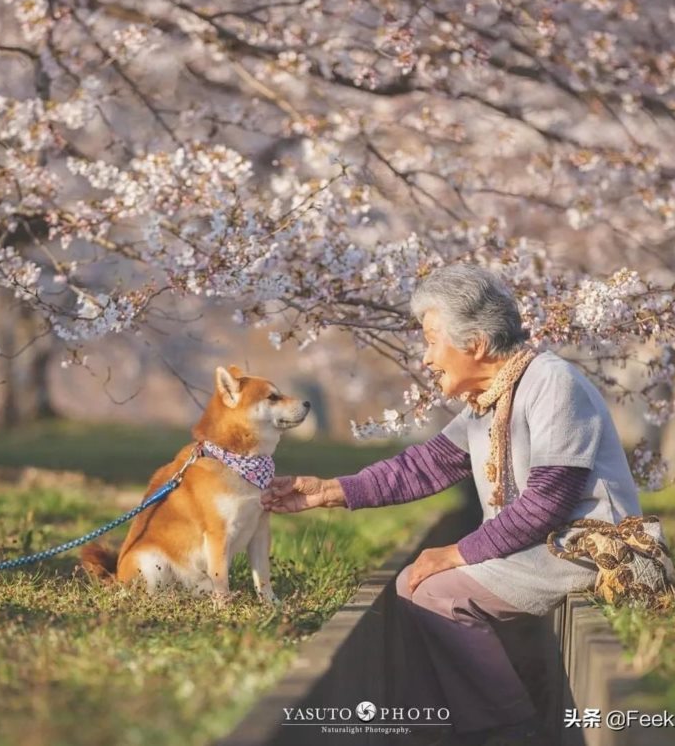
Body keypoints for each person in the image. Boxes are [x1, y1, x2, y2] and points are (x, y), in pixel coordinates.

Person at [260, 263, 644, 746]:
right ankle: (444, 727)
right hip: (545, 545)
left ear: (476, 344)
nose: (426, 357)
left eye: (432, 340)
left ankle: (511, 730)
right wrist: (329, 491)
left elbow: (548, 500)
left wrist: (456, 552)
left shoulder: (551, 383)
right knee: (414, 583)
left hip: (592, 547)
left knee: (438, 590)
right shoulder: (490, 398)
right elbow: (427, 466)